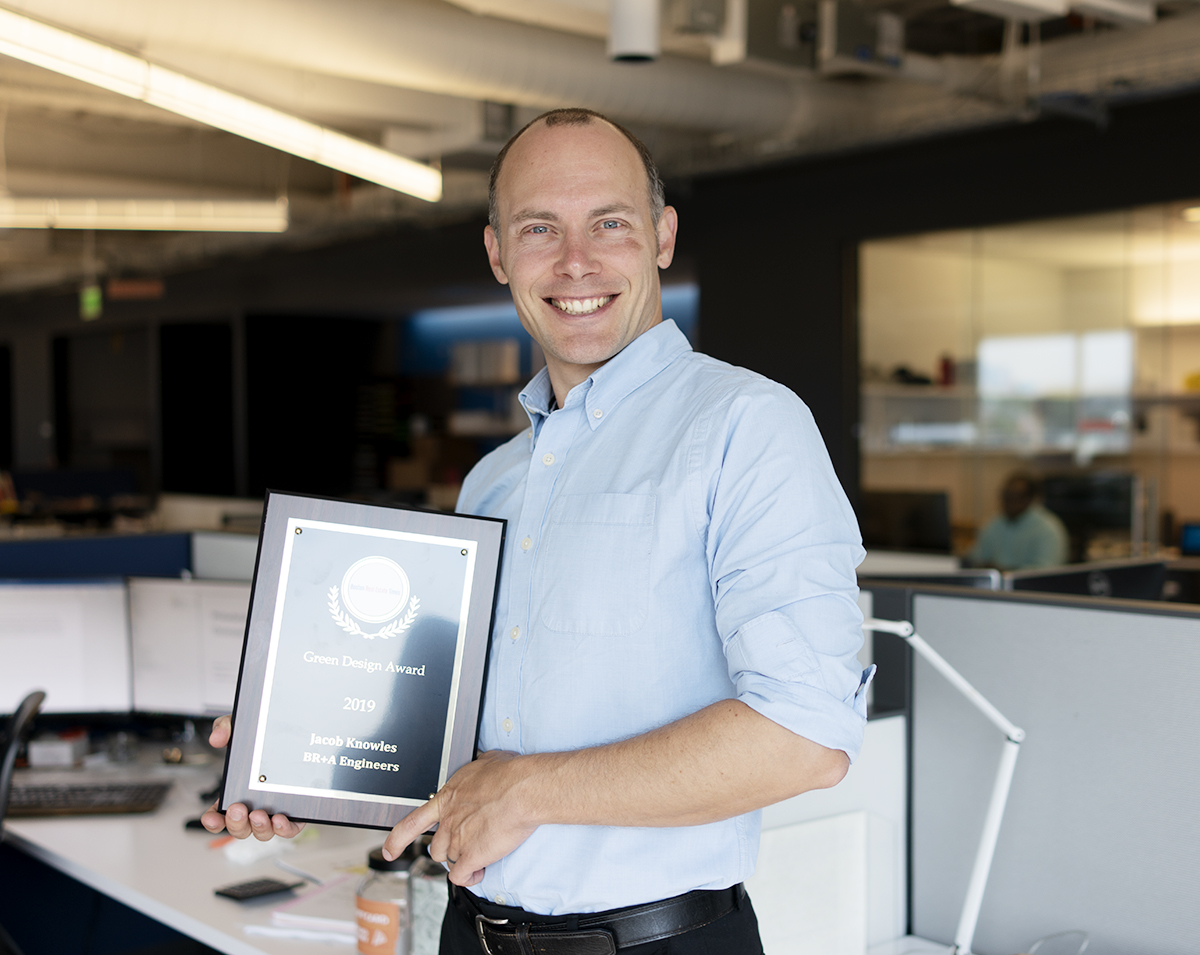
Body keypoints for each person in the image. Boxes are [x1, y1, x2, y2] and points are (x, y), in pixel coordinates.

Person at [206, 108, 872, 954]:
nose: (576, 262)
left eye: (611, 223)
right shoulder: (497, 479)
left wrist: (528, 792)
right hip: (470, 932)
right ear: (497, 254)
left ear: (662, 236)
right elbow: (459, 744)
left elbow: (803, 737)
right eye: (539, 229)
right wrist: (295, 757)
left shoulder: (747, 426)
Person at [969, 471, 1069, 570]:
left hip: (1029, 586)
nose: (1008, 502)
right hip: (993, 585)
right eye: (1005, 496)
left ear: (1029, 499)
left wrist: (1005, 571)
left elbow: (1046, 572)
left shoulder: (1048, 529)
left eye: (1015, 497)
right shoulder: (993, 524)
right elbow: (977, 559)